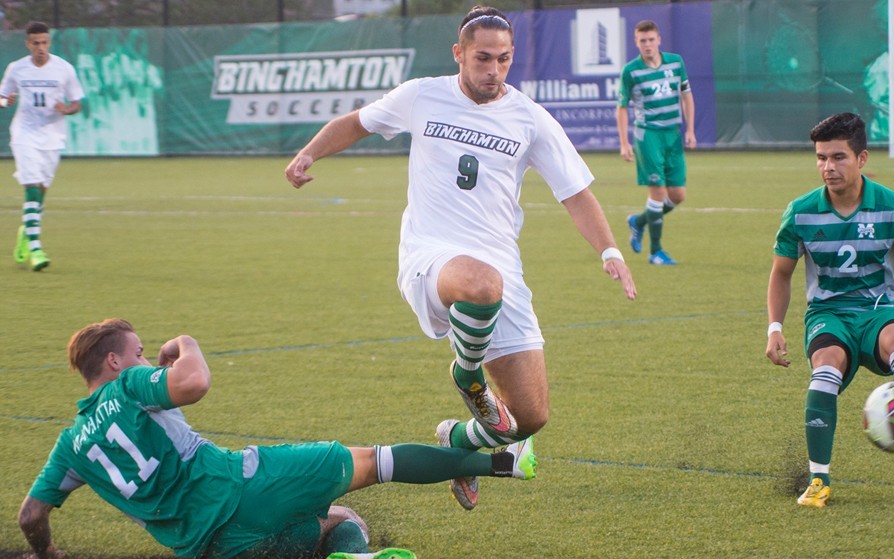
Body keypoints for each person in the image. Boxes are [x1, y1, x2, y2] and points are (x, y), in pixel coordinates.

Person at [284, 5, 635, 511]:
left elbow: (575, 191)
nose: (493, 71)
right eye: (482, 58)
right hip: (431, 257)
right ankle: (466, 373)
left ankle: (459, 440)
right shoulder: (422, 95)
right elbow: (357, 123)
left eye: (504, 60)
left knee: (528, 417)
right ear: (459, 54)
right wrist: (309, 153)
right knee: (479, 283)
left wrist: (609, 250)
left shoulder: (530, 117)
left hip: (500, 268)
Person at [18, 319, 536, 559]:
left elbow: (31, 516)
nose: (141, 359)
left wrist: (46, 555)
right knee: (374, 464)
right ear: (113, 363)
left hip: (210, 549)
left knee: (335, 526)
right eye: (136, 353)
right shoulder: (127, 388)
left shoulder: (69, 448)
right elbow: (193, 383)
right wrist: (186, 343)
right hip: (240, 487)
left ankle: (349, 558)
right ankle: (504, 464)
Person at [764, 112, 894, 508]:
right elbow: (781, 274)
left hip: (881, 310)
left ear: (862, 158)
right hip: (828, 314)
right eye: (821, 158)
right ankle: (819, 479)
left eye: (838, 157)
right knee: (826, 367)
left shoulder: (893, 207)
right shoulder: (799, 212)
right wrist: (774, 327)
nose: (828, 167)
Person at [0, 21, 84, 271]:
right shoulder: (17, 69)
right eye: (35, 43)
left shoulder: (63, 69)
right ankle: (36, 249)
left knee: (41, 194)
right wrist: (6, 101)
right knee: (32, 188)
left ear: (49, 42)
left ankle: (26, 232)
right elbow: (1, 97)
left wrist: (66, 109)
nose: (40, 47)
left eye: (44, 42)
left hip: (52, 137)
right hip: (24, 134)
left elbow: (77, 101)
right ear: (28, 44)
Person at [616, 19, 696, 266]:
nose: (647, 44)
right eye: (642, 41)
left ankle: (638, 222)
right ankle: (656, 252)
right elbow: (621, 107)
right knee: (659, 192)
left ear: (659, 40)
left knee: (678, 195)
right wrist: (624, 142)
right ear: (636, 42)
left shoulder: (675, 62)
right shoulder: (631, 71)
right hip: (647, 135)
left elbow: (686, 95)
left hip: (672, 135)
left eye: (651, 39)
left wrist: (690, 129)